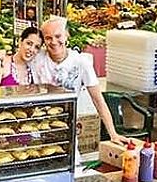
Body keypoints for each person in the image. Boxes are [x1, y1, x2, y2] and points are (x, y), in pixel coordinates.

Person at [31, 17, 133, 145]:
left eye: (58, 36)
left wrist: (113, 134)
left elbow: (98, 100)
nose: (54, 42)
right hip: (37, 126)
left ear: (67, 35)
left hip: (67, 125)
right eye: (48, 38)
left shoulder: (81, 62)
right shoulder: (36, 59)